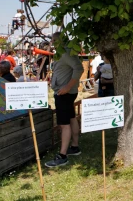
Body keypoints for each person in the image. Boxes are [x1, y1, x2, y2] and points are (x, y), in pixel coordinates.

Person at [45, 32, 84, 168]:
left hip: (64, 93)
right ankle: (74, 146)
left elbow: (78, 68)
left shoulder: (66, 53)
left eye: (55, 40)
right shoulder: (63, 53)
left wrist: (67, 87)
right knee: (71, 118)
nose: (53, 42)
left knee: (64, 123)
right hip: (65, 93)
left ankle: (62, 155)